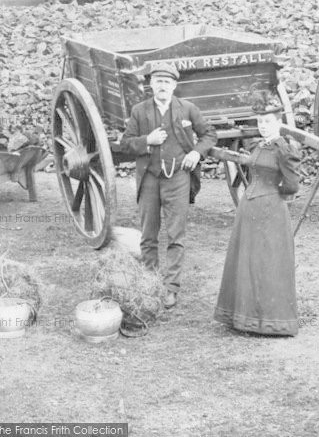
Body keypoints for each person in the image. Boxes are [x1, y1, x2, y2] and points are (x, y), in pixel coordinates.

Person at [119, 62, 216, 309]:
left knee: (176, 235)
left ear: (174, 85)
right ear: (151, 85)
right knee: (148, 235)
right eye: (158, 81)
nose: (163, 86)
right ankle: (150, 284)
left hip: (178, 179)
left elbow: (209, 135)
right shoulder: (139, 111)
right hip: (149, 179)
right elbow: (126, 143)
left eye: (167, 82)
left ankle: (171, 288)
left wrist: (196, 153)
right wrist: (147, 140)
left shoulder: (188, 109)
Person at [213, 92, 301, 336]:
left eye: (268, 122)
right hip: (249, 209)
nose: (263, 126)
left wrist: (273, 194)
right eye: (260, 122)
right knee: (248, 261)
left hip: (270, 210)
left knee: (267, 263)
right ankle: (244, 317)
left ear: (278, 123)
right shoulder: (259, 145)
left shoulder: (284, 148)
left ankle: (270, 321)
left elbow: (292, 185)